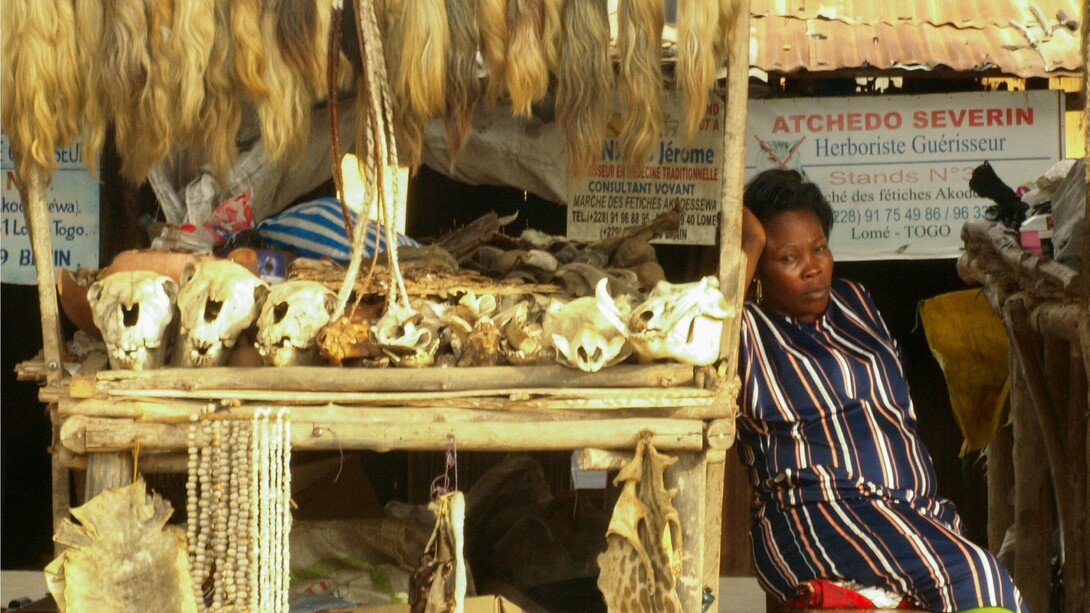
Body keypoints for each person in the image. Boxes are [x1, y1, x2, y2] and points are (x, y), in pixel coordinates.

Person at [737, 169, 1025, 613]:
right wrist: (750, 243)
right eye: (788, 258)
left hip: (913, 513)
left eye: (819, 249)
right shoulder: (745, 328)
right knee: (979, 576)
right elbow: (714, 311)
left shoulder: (855, 303)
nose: (813, 267)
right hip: (820, 515)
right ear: (758, 269)